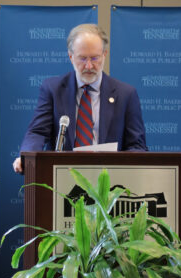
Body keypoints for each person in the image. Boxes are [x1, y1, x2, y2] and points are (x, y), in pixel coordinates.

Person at [13, 23, 147, 173]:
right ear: (71, 56)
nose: (89, 66)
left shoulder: (126, 94)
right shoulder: (53, 89)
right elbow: (38, 132)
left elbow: (136, 146)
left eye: (95, 58)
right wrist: (26, 158)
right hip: (63, 175)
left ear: (105, 54)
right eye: (82, 59)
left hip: (109, 180)